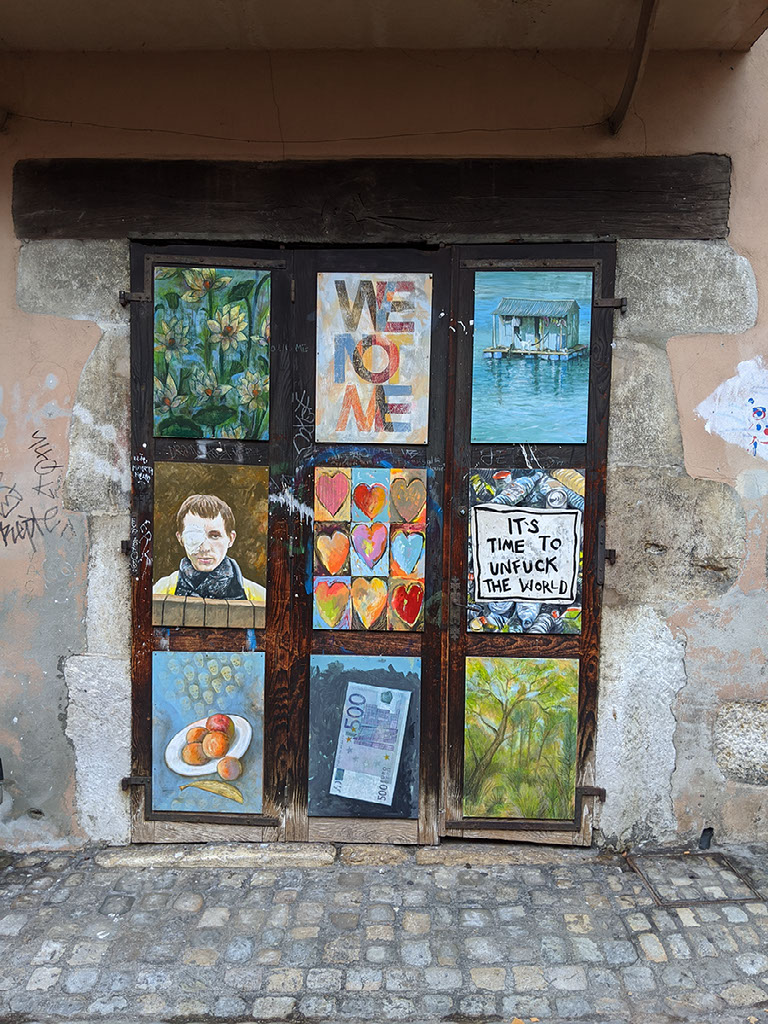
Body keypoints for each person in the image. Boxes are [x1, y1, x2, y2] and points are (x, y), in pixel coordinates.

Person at [153, 493, 265, 604]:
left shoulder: (259, 596)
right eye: (194, 536)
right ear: (180, 538)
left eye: (215, 536)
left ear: (231, 539)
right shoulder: (161, 590)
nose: (205, 548)